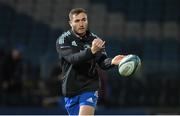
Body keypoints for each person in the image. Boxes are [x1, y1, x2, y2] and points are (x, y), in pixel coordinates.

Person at [56, 8, 125, 115]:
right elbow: (73, 59)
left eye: (84, 20)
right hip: (71, 90)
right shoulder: (64, 40)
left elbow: (102, 62)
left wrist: (112, 61)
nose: (81, 23)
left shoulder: (95, 39)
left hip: (89, 87)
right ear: (70, 23)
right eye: (77, 21)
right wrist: (91, 51)